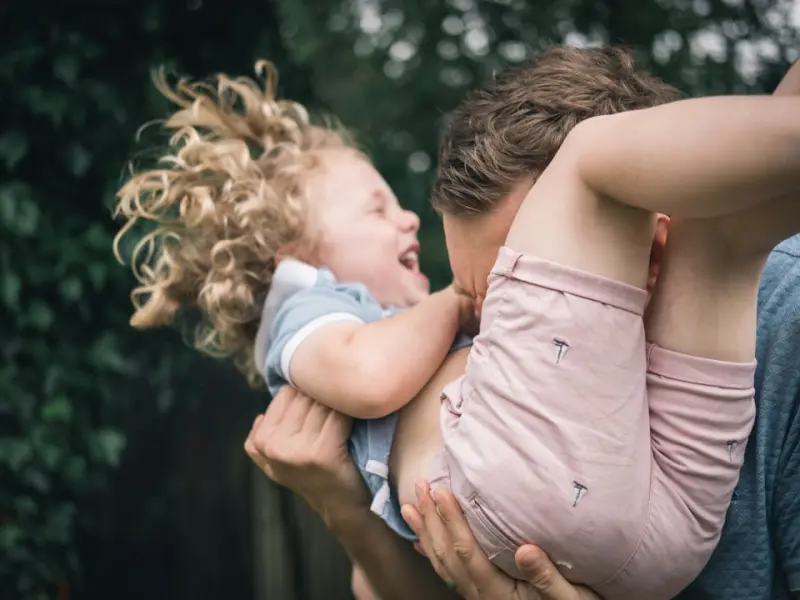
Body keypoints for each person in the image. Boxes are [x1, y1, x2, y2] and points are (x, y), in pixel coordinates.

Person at [246, 49, 800, 600]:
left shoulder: (784, 321)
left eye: (514, 287)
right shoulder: (327, 315)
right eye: (487, 302)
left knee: (708, 223)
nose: (493, 335)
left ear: (652, 250)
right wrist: (344, 505)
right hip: (643, 530)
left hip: (660, 538)